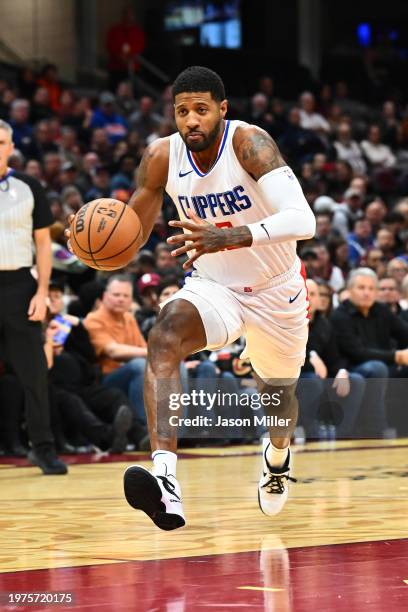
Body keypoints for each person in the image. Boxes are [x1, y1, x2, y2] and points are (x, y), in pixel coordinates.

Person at [67, 66, 316, 529]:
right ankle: (165, 478)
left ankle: (277, 458)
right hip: (214, 285)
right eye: (182, 111)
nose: (191, 120)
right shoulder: (162, 156)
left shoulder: (249, 143)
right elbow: (130, 235)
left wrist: (233, 236)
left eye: (201, 109)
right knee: (163, 336)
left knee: (277, 397)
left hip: (276, 289)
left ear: (222, 110)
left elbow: (304, 220)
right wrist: (88, 247)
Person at [0, 120, 67, 474]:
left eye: (0, 142)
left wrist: (42, 291)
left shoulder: (28, 187)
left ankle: (43, 448)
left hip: (19, 288)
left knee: (34, 373)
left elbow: (44, 243)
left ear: (11, 146)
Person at [331, 268, 408, 436]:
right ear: (350, 290)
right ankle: (376, 427)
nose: (367, 293)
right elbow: (356, 352)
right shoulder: (340, 315)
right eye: (361, 288)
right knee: (377, 368)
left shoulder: (381, 310)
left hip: (382, 365)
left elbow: (404, 334)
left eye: (371, 288)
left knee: (386, 368)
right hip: (349, 369)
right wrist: (397, 356)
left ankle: (402, 428)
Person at [84, 275, 147, 424]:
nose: (121, 299)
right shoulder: (93, 319)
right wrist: (152, 353)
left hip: (133, 371)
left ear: (131, 300)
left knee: (177, 365)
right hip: (107, 379)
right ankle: (143, 428)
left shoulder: (129, 318)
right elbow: (113, 351)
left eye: (125, 296)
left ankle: (180, 432)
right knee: (140, 365)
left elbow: (144, 348)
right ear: (105, 296)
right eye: (116, 295)